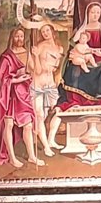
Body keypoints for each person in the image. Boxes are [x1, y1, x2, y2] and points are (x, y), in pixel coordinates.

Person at [0, 27, 41, 168]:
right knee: (8, 124)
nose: (19, 39)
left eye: (21, 36)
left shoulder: (27, 53)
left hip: (23, 94)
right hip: (9, 94)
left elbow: (35, 70)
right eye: (17, 36)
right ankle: (12, 157)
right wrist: (15, 79)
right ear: (12, 38)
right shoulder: (6, 56)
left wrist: (36, 56)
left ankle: (32, 156)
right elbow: (1, 77)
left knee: (28, 125)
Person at [28, 23, 65, 154]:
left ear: (52, 31)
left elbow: (57, 68)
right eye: (43, 31)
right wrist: (36, 56)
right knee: (40, 115)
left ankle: (50, 140)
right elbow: (37, 70)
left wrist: (56, 72)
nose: (45, 33)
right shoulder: (39, 47)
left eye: (47, 30)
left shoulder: (59, 48)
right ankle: (46, 147)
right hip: (38, 84)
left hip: (50, 84)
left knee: (60, 110)